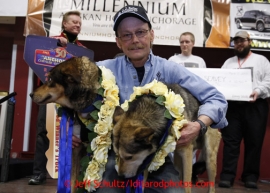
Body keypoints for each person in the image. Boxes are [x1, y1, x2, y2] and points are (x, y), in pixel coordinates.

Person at [72, 5, 228, 193]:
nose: (135, 40)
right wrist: (72, 129)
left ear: (152, 34)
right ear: (118, 42)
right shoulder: (104, 69)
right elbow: (70, 90)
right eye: (126, 35)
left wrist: (199, 125)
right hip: (117, 157)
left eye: (140, 32)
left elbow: (216, 98)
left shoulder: (170, 69)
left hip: (157, 159)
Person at [28, 10, 86, 185]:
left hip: (69, 101)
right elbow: (37, 60)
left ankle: (72, 174)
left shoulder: (82, 50)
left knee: (73, 136)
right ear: (64, 25)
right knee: (42, 134)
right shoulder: (49, 42)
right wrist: (57, 45)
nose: (77, 24)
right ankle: (39, 173)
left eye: (79, 23)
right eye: (73, 22)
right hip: (49, 97)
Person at [218, 31, 270, 189]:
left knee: (254, 142)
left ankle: (250, 176)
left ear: (250, 42)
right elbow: (221, 81)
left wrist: (258, 91)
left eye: (242, 41)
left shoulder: (261, 60)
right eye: (236, 41)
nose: (239, 44)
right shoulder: (228, 62)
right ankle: (227, 176)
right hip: (233, 107)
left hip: (255, 106)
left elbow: (269, 80)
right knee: (230, 142)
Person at [168, 32, 207, 182]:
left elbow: (203, 81)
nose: (185, 44)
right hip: (177, 103)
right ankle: (173, 173)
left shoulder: (200, 61)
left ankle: (189, 175)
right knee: (175, 138)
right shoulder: (173, 60)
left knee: (191, 138)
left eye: (187, 42)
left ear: (193, 43)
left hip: (194, 103)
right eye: (182, 42)